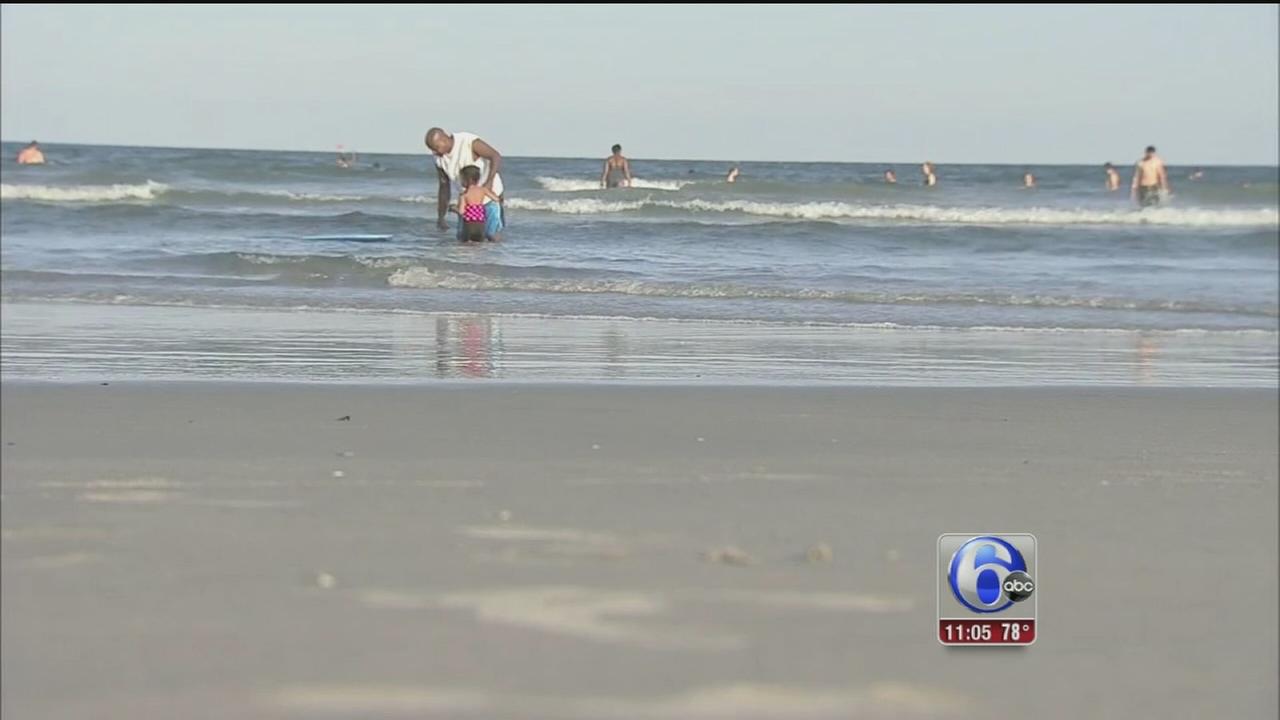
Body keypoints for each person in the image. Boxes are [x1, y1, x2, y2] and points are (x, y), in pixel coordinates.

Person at [426, 127, 505, 236]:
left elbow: (495, 156)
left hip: (489, 198)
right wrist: (441, 217)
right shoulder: (438, 158)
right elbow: (444, 186)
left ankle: (498, 253)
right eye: (432, 150)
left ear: (444, 140)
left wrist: (489, 183)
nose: (435, 152)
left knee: (492, 235)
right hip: (468, 203)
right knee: (465, 239)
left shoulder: (467, 141)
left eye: (436, 148)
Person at [456, 165, 503, 242]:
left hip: (468, 223)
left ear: (468, 180)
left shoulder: (464, 195)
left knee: (465, 243)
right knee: (479, 244)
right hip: (480, 222)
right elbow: (496, 199)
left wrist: (454, 208)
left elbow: (461, 212)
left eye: (461, 179)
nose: (460, 181)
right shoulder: (483, 190)